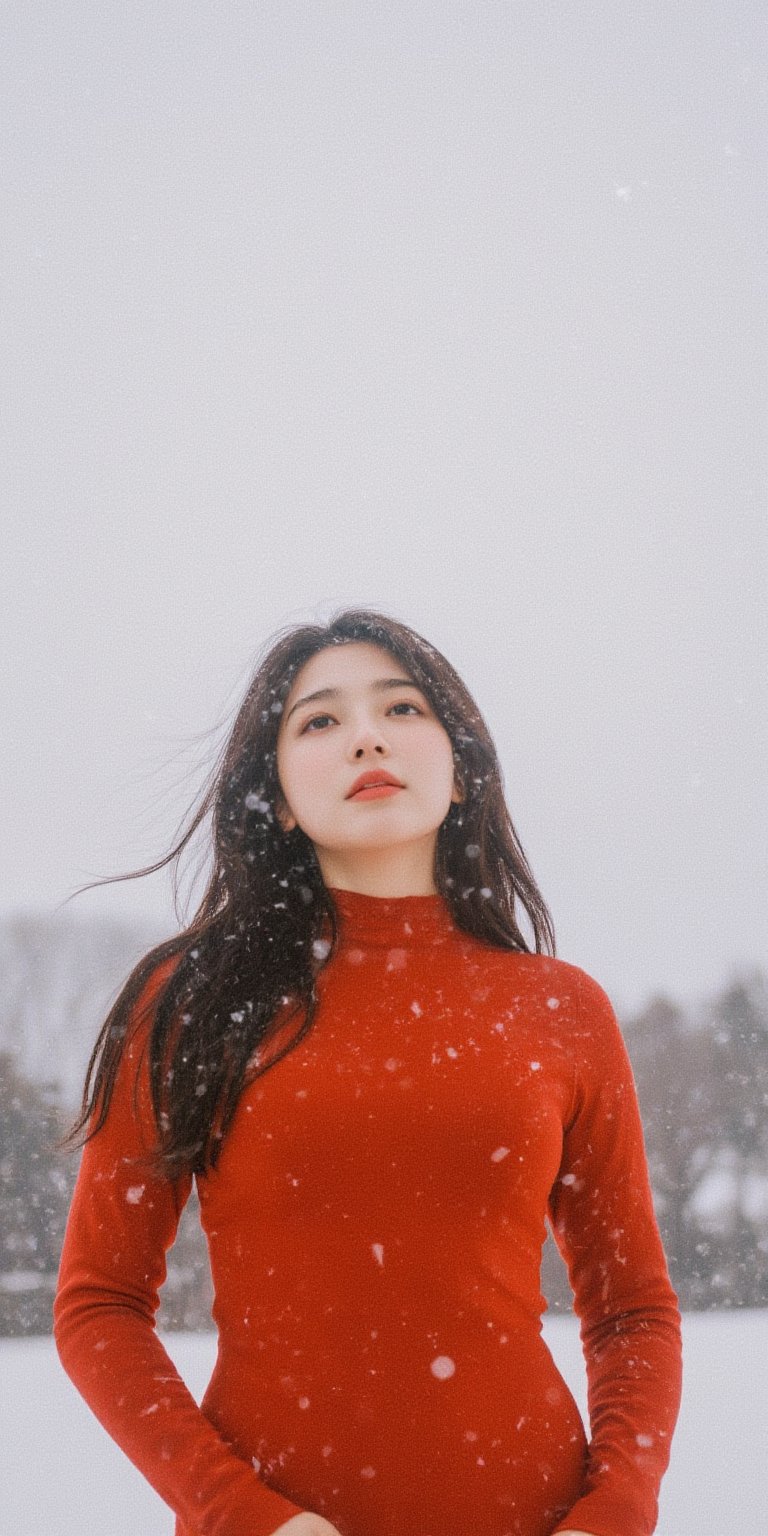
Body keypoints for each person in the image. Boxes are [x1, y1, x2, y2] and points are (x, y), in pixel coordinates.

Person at [54, 608, 682, 1536]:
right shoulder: (188, 1000)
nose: (367, 736)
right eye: (318, 720)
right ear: (273, 789)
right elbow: (98, 1305)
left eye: (403, 707)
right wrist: (245, 1516)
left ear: (462, 767)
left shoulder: (561, 1008)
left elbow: (631, 1308)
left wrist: (615, 1512)